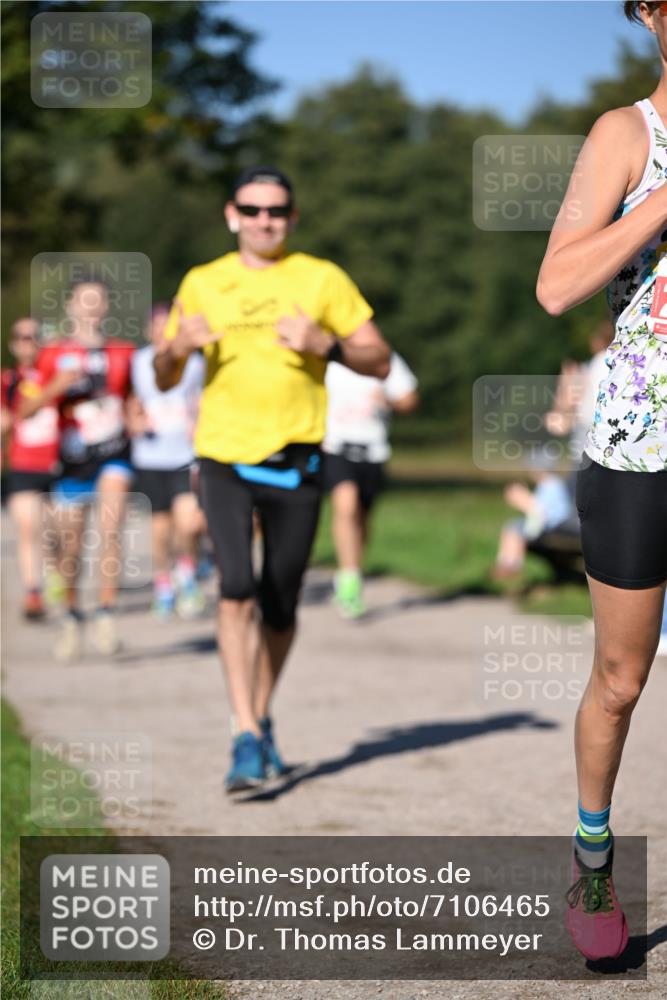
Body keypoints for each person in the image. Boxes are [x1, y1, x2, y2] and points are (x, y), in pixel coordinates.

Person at [154, 165, 391, 791]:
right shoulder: (203, 282)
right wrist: (177, 349)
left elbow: (381, 359)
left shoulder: (321, 278)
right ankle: (246, 733)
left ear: (292, 217)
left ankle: (259, 717)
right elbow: (159, 375)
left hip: (297, 460)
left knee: (280, 603)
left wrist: (327, 344)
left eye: (277, 211)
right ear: (232, 214)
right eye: (254, 210)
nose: (266, 220)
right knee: (235, 588)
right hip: (224, 458)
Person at [536, 0, 667, 961]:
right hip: (642, 438)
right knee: (622, 680)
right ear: (654, 18)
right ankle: (592, 853)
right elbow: (555, 286)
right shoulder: (627, 134)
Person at [19, 279, 135, 660]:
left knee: (111, 525)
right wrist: (56, 387)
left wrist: (138, 417)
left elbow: (133, 399)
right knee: (69, 545)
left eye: (97, 300)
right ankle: (71, 615)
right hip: (71, 458)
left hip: (114, 452)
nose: (90, 307)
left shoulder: (122, 351)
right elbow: (26, 410)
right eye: (83, 301)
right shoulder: (51, 354)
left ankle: (106, 612)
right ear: (69, 307)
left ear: (106, 307)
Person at [323, 352, 419, 618]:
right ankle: (349, 581)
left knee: (362, 519)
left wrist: (388, 401)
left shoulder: (384, 358)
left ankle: (352, 567)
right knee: (346, 504)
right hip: (335, 447)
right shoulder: (327, 358)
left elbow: (410, 399)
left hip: (373, 451)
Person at [128, 303, 206, 619]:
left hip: (185, 453)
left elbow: (201, 399)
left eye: (168, 326)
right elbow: (129, 400)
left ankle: (186, 573)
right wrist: (132, 419)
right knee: (160, 529)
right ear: (149, 330)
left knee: (189, 522)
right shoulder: (138, 361)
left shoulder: (195, 362)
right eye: (157, 326)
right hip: (150, 455)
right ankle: (163, 584)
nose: (162, 332)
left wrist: (200, 422)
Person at [1, 318, 60, 619]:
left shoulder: (56, 373)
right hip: (23, 463)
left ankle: (55, 575)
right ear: (12, 343)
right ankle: (32, 592)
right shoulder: (7, 380)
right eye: (21, 336)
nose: (27, 342)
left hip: (59, 462)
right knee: (28, 528)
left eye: (34, 336)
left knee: (54, 532)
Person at [492, 462, 574, 580]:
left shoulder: (551, 485)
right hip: (547, 523)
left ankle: (511, 565)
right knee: (512, 527)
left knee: (516, 530)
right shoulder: (548, 485)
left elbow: (540, 513)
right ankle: (507, 563)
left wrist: (521, 500)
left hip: (553, 525)